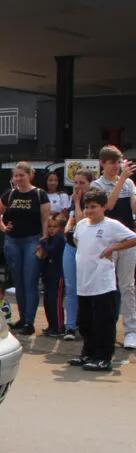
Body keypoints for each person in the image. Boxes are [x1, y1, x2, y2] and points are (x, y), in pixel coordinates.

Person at [68, 190, 136, 371]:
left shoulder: (111, 225)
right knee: (85, 322)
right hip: (84, 282)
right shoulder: (82, 225)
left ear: (103, 207)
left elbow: (132, 238)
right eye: (87, 207)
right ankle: (88, 353)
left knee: (103, 323)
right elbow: (76, 240)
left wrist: (113, 248)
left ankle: (103, 357)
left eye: (94, 207)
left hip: (103, 283)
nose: (90, 210)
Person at [0, 162, 50, 336]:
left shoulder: (40, 194)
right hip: (13, 241)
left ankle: (30, 321)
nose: (18, 179)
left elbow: (45, 220)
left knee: (30, 282)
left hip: (32, 241)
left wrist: (43, 239)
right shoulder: (10, 194)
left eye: (21, 175)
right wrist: (2, 228)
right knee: (19, 283)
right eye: (16, 176)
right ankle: (22, 318)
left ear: (29, 175)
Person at [89, 145, 136, 349]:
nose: (116, 166)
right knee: (106, 286)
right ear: (102, 164)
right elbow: (109, 206)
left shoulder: (129, 183)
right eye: (112, 163)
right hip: (107, 241)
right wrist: (123, 180)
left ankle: (131, 331)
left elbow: (133, 207)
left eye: (118, 162)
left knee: (128, 286)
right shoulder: (97, 185)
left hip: (128, 239)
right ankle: (104, 329)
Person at [62, 169, 96, 341]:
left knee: (87, 288)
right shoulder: (73, 199)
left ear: (90, 184)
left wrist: (77, 203)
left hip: (86, 248)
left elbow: (83, 221)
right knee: (71, 287)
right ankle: (70, 326)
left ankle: (86, 325)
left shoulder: (91, 201)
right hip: (70, 245)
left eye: (82, 183)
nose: (78, 186)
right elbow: (72, 219)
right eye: (75, 182)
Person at [36, 213, 66, 337]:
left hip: (58, 274)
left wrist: (43, 243)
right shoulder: (51, 239)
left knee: (56, 301)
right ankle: (51, 325)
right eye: (50, 227)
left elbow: (51, 251)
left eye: (55, 227)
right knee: (48, 301)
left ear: (61, 228)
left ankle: (59, 327)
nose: (52, 229)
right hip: (49, 274)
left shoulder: (59, 239)